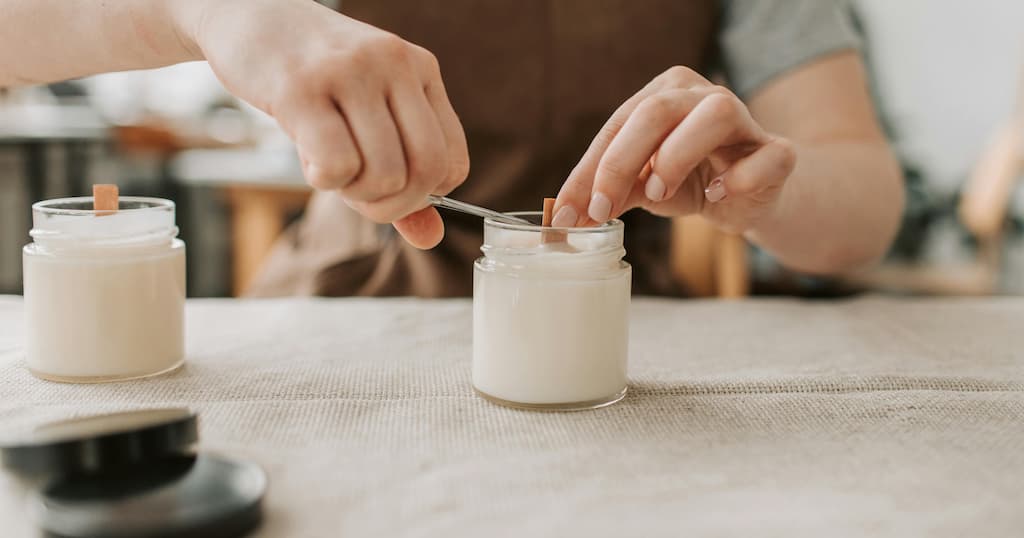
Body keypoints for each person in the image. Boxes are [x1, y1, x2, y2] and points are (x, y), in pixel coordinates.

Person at [1, 0, 903, 297]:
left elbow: (862, 199)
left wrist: (766, 196)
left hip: (621, 347)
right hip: (340, 314)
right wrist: (209, 9)